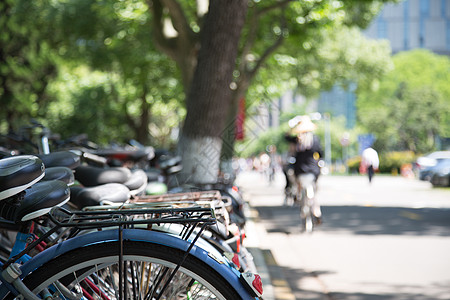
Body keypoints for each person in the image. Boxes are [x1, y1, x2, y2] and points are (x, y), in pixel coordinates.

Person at [291, 115, 324, 223]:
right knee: (314, 191)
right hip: (313, 170)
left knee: (299, 184)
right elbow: (320, 153)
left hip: (300, 169)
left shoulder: (297, 139)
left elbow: (286, 137)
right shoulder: (315, 139)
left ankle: (298, 196)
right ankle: (317, 211)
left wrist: (293, 126)